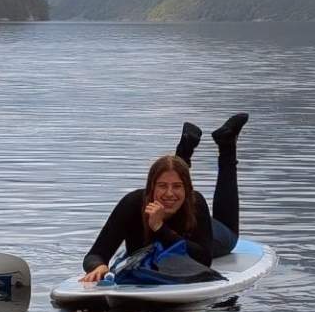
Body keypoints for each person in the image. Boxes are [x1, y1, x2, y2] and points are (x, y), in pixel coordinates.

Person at [79, 113, 249, 284]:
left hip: (203, 234)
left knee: (231, 237)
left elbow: (203, 259)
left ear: (187, 190)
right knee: (172, 176)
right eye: (161, 186)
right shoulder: (132, 203)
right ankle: (183, 153)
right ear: (150, 188)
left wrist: (160, 228)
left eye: (177, 187)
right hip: (171, 240)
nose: (169, 193)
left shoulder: (195, 203)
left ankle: (227, 145)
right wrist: (99, 266)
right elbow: (95, 254)